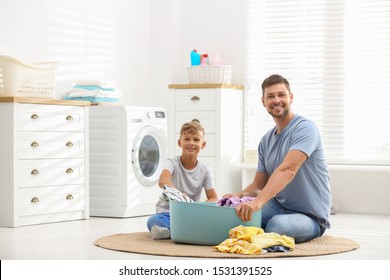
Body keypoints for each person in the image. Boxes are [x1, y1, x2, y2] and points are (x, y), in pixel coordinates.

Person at [224, 74, 331, 243]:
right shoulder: (266, 141)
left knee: (277, 227)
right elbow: (258, 185)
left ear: (291, 98)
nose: (276, 100)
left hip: (311, 216)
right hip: (279, 206)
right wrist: (236, 196)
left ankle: (257, 234)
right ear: (263, 102)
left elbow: (288, 170)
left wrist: (258, 202)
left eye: (281, 95)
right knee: (234, 218)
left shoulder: (305, 129)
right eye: (270, 96)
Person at [146, 119, 218, 239]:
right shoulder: (172, 163)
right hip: (168, 213)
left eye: (196, 139)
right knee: (153, 221)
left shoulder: (206, 170)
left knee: (213, 219)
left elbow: (213, 198)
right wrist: (179, 195)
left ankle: (173, 231)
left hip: (190, 214)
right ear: (179, 143)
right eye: (187, 139)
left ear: (203, 144)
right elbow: (163, 181)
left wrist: (197, 207)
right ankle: (180, 230)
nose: (191, 143)